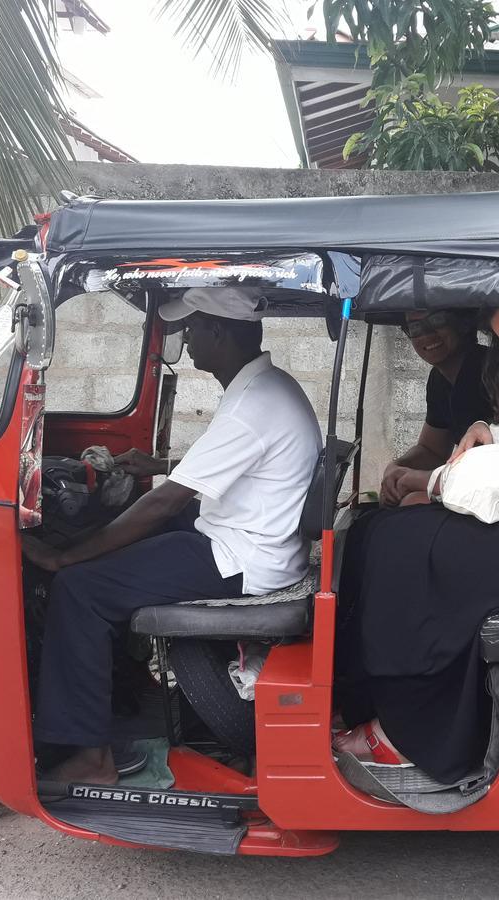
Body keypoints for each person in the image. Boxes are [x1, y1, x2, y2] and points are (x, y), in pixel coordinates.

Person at [22, 286, 322, 785]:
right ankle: (129, 686)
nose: (186, 338)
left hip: (241, 556)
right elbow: (241, 468)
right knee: (117, 543)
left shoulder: (253, 404)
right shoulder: (264, 388)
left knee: (81, 588)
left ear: (219, 332)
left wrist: (63, 559)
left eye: (192, 328)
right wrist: (160, 465)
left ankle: (91, 758)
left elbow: (165, 502)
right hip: (246, 537)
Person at [332, 305, 499, 783]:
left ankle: (412, 730)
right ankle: (367, 696)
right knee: (385, 533)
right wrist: (493, 432)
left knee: (421, 552)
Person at [380, 310, 499, 507]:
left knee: (412, 503)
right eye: (415, 328)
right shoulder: (439, 380)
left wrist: (412, 478)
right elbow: (431, 449)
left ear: (462, 323)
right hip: (474, 485)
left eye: (437, 320)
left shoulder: (491, 373)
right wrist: (397, 468)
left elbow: (482, 467)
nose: (426, 334)